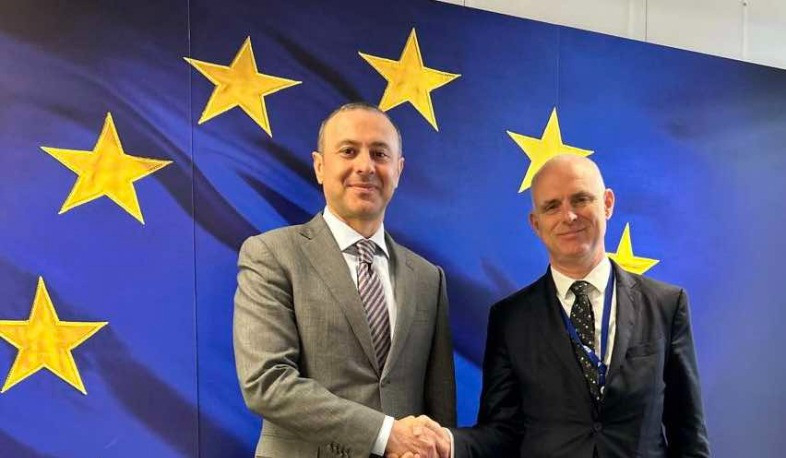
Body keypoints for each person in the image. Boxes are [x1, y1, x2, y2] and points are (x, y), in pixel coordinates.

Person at [406, 155, 710, 458]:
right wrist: (446, 444)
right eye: (552, 206)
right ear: (536, 223)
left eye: (580, 199)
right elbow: (501, 432)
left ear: (607, 203)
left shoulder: (666, 305)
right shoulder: (510, 319)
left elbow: (689, 435)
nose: (569, 216)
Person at [233, 102, 456, 458]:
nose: (365, 166)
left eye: (379, 154)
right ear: (320, 166)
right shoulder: (271, 255)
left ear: (398, 170)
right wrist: (386, 435)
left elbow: (438, 411)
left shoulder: (429, 278)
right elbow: (266, 382)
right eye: (349, 151)